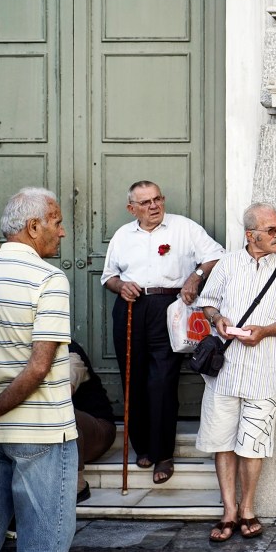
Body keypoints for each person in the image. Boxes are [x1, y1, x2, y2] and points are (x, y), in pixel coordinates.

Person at [0, 187, 77, 552]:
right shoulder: (49, 278)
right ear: (33, 226)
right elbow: (40, 365)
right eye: (57, 222)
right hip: (42, 434)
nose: (61, 232)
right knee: (44, 542)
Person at [195, 203, 276, 542]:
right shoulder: (228, 264)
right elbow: (208, 301)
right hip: (224, 373)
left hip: (265, 372)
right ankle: (229, 511)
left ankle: (248, 508)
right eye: (271, 230)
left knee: (253, 445)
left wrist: (266, 330)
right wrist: (218, 320)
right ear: (251, 235)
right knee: (223, 442)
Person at [101, 180, 224, 484]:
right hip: (131, 308)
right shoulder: (122, 235)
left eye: (157, 199)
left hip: (170, 306)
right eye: (145, 202)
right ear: (132, 209)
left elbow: (217, 256)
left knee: (162, 380)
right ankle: (142, 447)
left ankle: (163, 454)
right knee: (133, 377)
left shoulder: (184, 228)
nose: (154, 206)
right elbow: (108, 277)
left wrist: (195, 277)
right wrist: (121, 286)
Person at [70, 341, 117, 503]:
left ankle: (78, 484)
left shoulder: (69, 349)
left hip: (98, 430)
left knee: (59, 411)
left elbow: (65, 390)